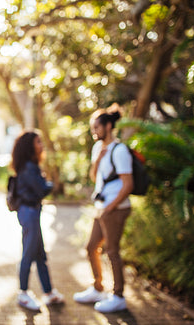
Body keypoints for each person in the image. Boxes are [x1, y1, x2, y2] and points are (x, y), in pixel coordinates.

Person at [73, 108, 134, 313]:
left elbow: (128, 184)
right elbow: (94, 177)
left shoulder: (120, 150)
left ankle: (118, 296)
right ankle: (98, 288)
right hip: (102, 208)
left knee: (112, 251)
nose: (94, 131)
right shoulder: (98, 147)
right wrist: (98, 159)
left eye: (97, 127)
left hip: (115, 209)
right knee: (91, 247)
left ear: (108, 126)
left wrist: (110, 207)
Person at [11, 130, 64, 312]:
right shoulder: (30, 167)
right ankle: (23, 293)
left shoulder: (26, 166)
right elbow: (42, 190)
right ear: (30, 146)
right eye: (38, 142)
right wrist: (50, 183)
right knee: (28, 253)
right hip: (30, 214)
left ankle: (49, 293)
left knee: (40, 255)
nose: (41, 145)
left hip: (30, 213)